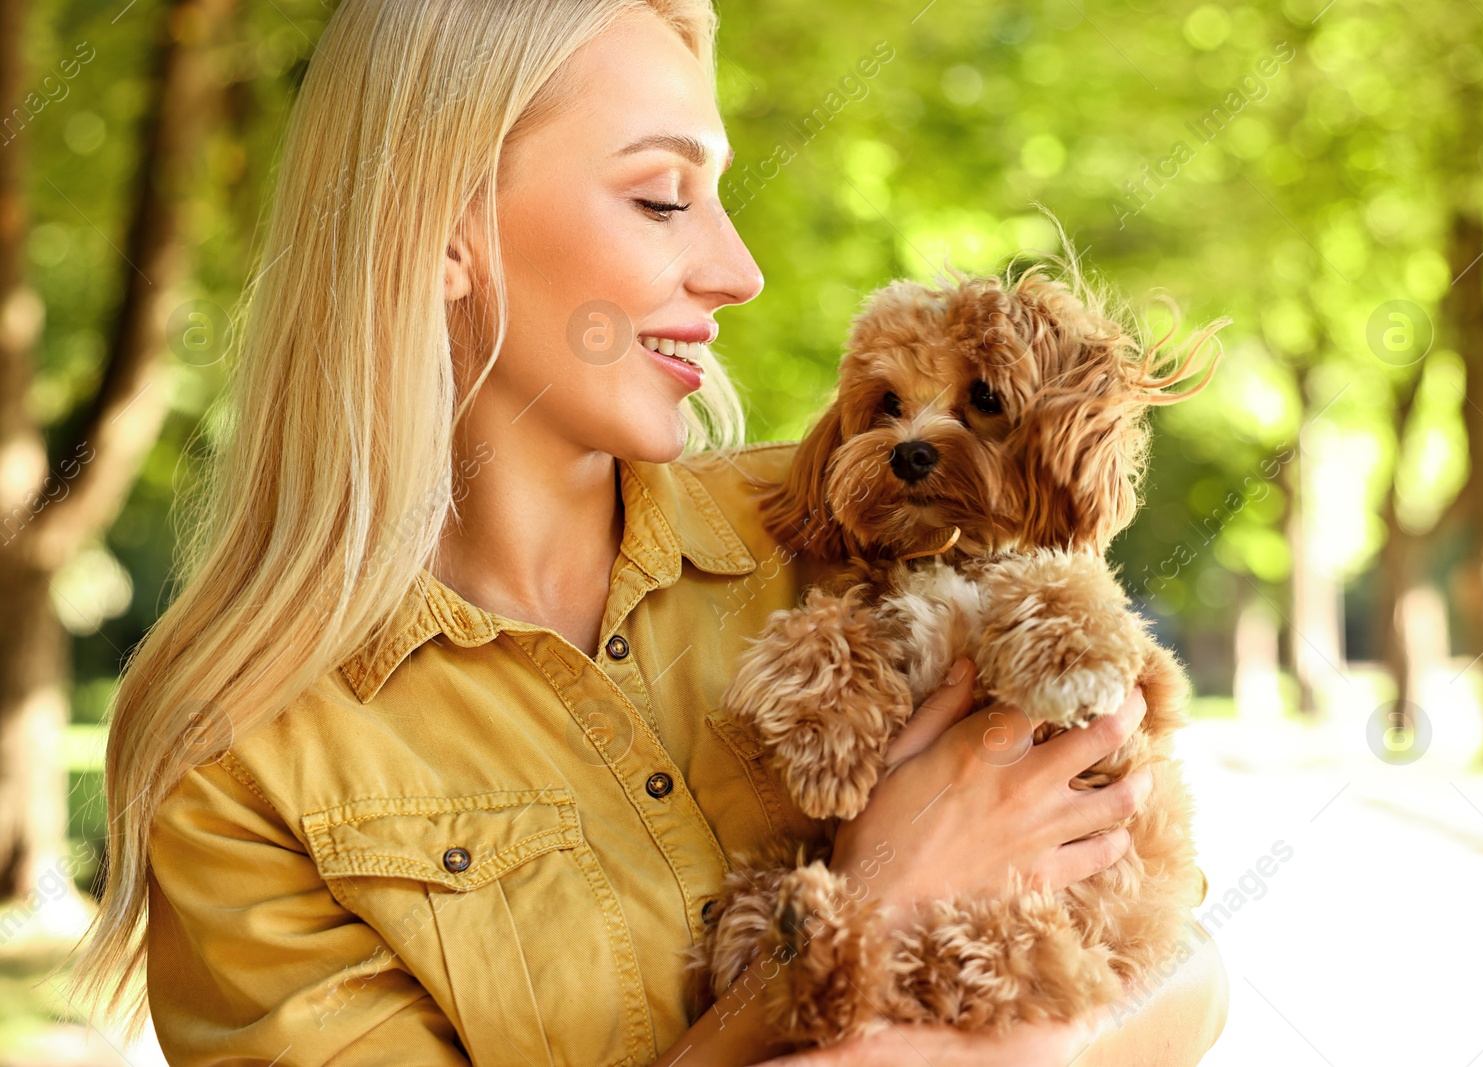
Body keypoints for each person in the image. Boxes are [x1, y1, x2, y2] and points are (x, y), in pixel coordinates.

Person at [74, 1, 1229, 1063]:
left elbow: (1184, 965)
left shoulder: (859, 521)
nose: (738, 271)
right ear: (443, 231)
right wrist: (882, 909)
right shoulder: (243, 754)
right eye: (663, 197)